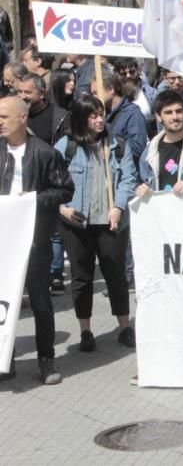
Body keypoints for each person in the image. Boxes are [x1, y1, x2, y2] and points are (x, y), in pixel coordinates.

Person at [54, 94, 138, 352]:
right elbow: (51, 185)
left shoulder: (116, 144)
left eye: (102, 113)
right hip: (76, 224)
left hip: (109, 222)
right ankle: (86, 330)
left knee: (115, 274)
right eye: (93, 115)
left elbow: (128, 178)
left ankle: (124, 326)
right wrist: (63, 210)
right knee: (81, 277)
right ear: (81, 118)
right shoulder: (65, 148)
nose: (100, 119)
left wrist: (118, 206)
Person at [0, 96, 73, 384]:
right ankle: (6, 358)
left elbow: (64, 190)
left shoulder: (45, 153)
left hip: (34, 241)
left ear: (22, 118)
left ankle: (46, 360)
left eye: (5, 116)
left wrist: (32, 200)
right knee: (4, 301)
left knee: (40, 301)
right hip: (3, 241)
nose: (0, 121)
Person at [91, 67, 148, 167]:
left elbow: (138, 149)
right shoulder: (104, 114)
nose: (94, 97)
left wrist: (112, 143)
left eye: (96, 92)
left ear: (111, 89)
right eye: (92, 94)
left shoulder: (132, 113)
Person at [17, 74, 69, 145]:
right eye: (20, 92)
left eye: (27, 92)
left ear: (42, 93)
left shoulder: (59, 117)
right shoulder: (14, 113)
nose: (22, 97)